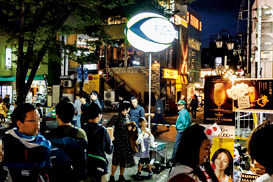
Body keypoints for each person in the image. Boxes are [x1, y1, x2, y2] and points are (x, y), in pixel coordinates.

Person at [0, 103, 51, 182]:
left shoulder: (44, 145)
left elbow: (47, 172)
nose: (37, 124)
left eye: (38, 120)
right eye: (32, 120)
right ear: (19, 123)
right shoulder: (5, 143)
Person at [45, 100, 87, 182]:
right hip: (74, 176)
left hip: (55, 176)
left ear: (57, 116)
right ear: (72, 115)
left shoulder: (49, 135)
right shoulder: (80, 133)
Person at [84, 103, 114, 182]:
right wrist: (111, 140)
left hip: (86, 166)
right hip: (99, 167)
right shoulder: (103, 130)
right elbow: (109, 150)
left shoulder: (83, 129)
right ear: (99, 115)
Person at [107, 101, 135, 182]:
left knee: (123, 160)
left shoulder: (128, 116)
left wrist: (130, 128)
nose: (129, 109)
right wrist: (112, 136)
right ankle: (112, 177)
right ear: (125, 108)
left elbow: (129, 126)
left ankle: (121, 177)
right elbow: (109, 125)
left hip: (126, 141)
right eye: (129, 107)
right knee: (116, 159)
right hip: (118, 142)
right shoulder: (117, 116)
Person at [167, 99, 192, 167]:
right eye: (178, 105)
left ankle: (173, 159)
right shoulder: (186, 112)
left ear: (183, 106)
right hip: (184, 131)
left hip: (181, 131)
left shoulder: (182, 113)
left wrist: (184, 129)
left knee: (177, 145)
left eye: (179, 105)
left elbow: (185, 123)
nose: (178, 106)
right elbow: (190, 122)